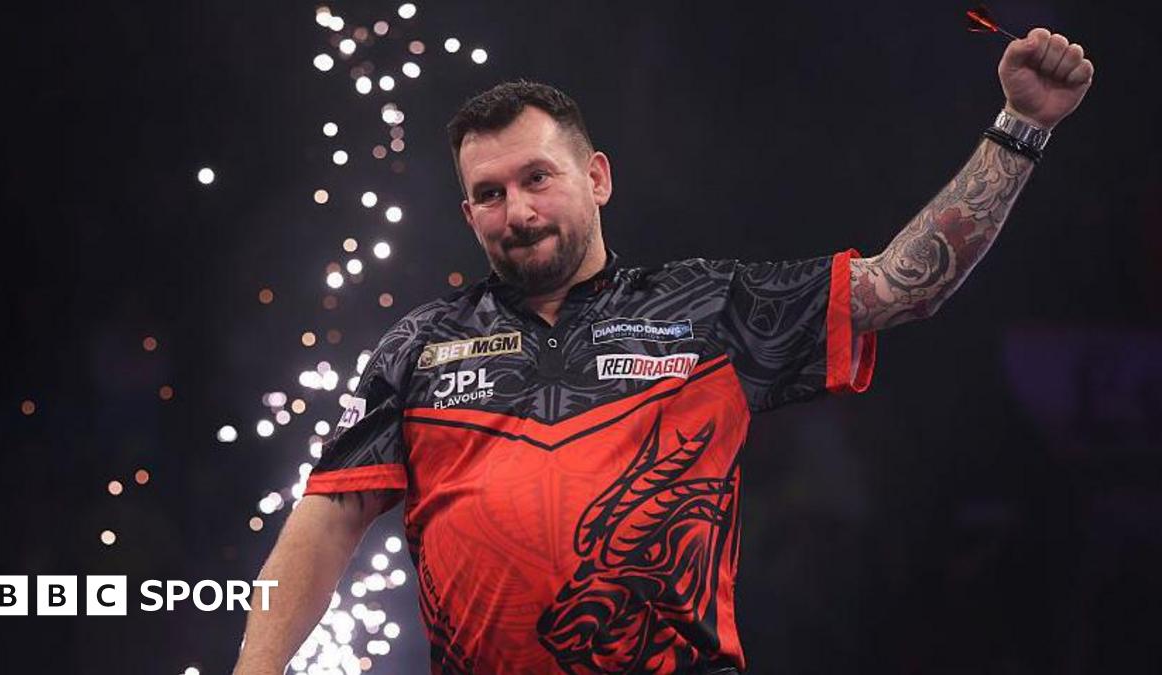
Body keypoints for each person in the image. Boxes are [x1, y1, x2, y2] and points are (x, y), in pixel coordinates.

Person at [233, 28, 1093, 675]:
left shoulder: (710, 308)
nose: (517, 211)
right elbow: (327, 520)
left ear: (597, 177)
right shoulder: (417, 346)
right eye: (488, 194)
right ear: (468, 215)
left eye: (537, 178)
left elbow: (903, 285)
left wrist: (1020, 126)